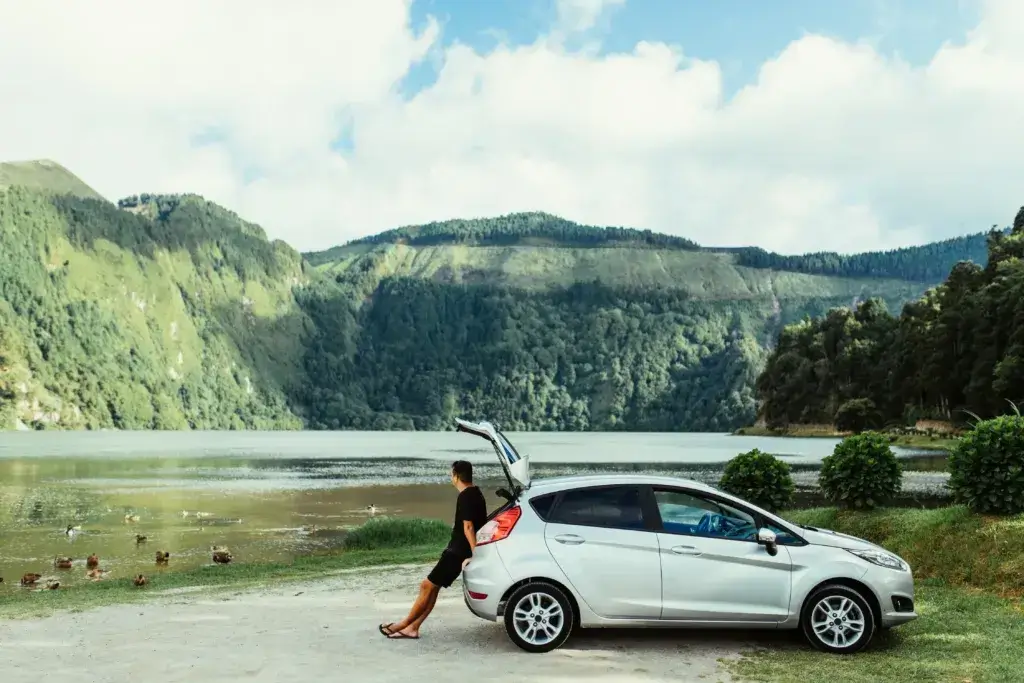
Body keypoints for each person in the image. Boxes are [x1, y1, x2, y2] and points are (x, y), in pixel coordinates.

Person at [379, 460, 487, 640]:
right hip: (458, 550)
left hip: (457, 552)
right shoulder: (476, 493)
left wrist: (475, 554)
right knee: (433, 588)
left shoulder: (466, 495)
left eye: (451, 474)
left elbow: (468, 527)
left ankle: (402, 625)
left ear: (456, 476)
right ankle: (413, 628)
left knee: (426, 586)